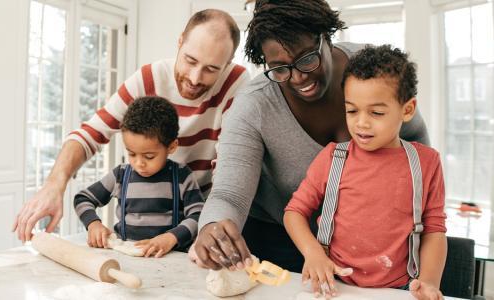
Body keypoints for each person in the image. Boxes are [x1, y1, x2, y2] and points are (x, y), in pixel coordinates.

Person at [193, 0, 430, 273]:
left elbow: (416, 142)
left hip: (366, 240)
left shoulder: (373, 71)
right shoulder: (253, 106)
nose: (297, 78)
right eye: (279, 68)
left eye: (307, 59)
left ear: (325, 37)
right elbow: (229, 194)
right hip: (278, 238)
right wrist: (212, 226)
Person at [13, 9, 250, 242]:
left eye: (211, 69)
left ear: (228, 63)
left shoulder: (236, 84)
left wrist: (211, 226)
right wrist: (54, 185)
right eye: (190, 61)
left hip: (203, 217)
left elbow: (229, 167)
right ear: (179, 42)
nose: (195, 78)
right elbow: (91, 133)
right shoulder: (149, 78)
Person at [284, 45, 446, 300]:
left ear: (407, 110)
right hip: (336, 285)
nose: (361, 123)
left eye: (376, 112)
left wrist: (428, 283)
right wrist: (313, 253)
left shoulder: (427, 162)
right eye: (352, 110)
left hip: (399, 289)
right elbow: (294, 212)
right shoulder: (332, 158)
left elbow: (434, 229)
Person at [74, 96, 205, 257]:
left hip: (169, 259)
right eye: (131, 154)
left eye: (149, 156)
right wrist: (93, 224)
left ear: (171, 146)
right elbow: (82, 199)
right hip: (125, 257)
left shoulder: (182, 176)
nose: (139, 163)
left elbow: (199, 216)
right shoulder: (120, 175)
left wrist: (171, 237)